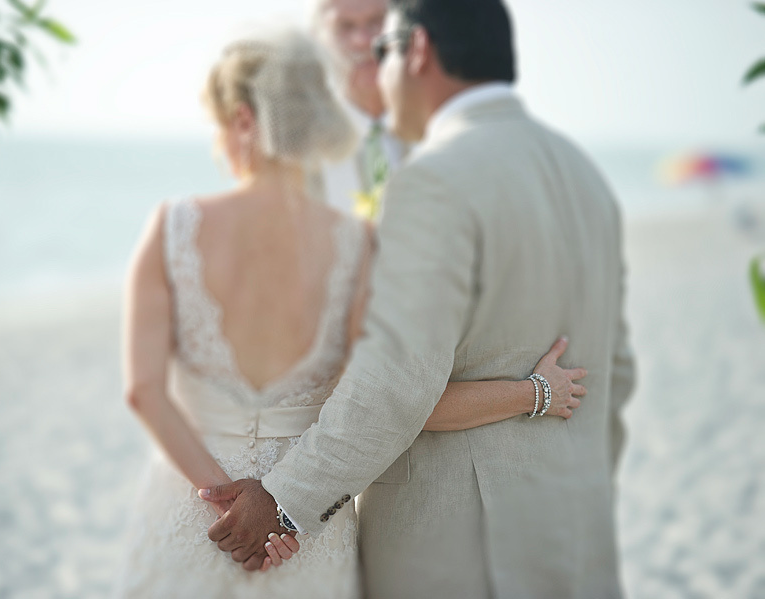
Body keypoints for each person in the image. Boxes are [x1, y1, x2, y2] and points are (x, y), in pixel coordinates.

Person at [115, 25, 587, 598]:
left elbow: (144, 392)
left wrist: (221, 497)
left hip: (189, 511)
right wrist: (532, 392)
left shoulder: (171, 227)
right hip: (300, 534)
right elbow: (388, 400)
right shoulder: (355, 246)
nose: (219, 145)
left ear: (244, 120)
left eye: (219, 126)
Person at [309, 0, 405, 219]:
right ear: (317, 39)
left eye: (376, 22)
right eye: (345, 27)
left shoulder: (440, 127)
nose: (363, 41)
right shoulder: (304, 150)